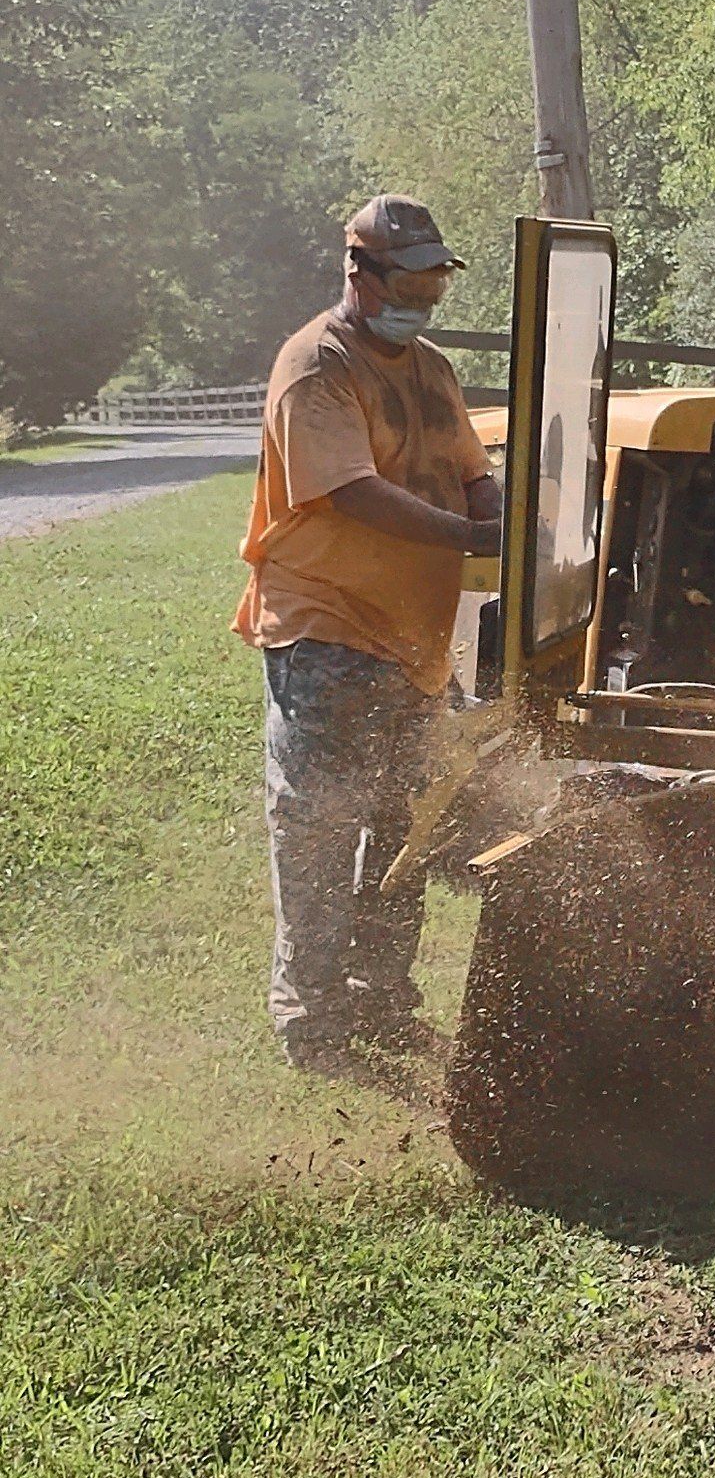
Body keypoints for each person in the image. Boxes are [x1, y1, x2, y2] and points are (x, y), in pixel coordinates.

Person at [233, 194, 503, 1069]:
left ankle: (380, 998)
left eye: (434, 280)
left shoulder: (429, 369)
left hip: (413, 641)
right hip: (327, 629)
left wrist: (510, 519)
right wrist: (468, 536)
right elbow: (349, 489)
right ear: (360, 270)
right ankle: (310, 1022)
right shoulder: (318, 365)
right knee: (318, 827)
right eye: (409, 278)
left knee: (406, 824)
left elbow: (472, 474)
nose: (423, 295)